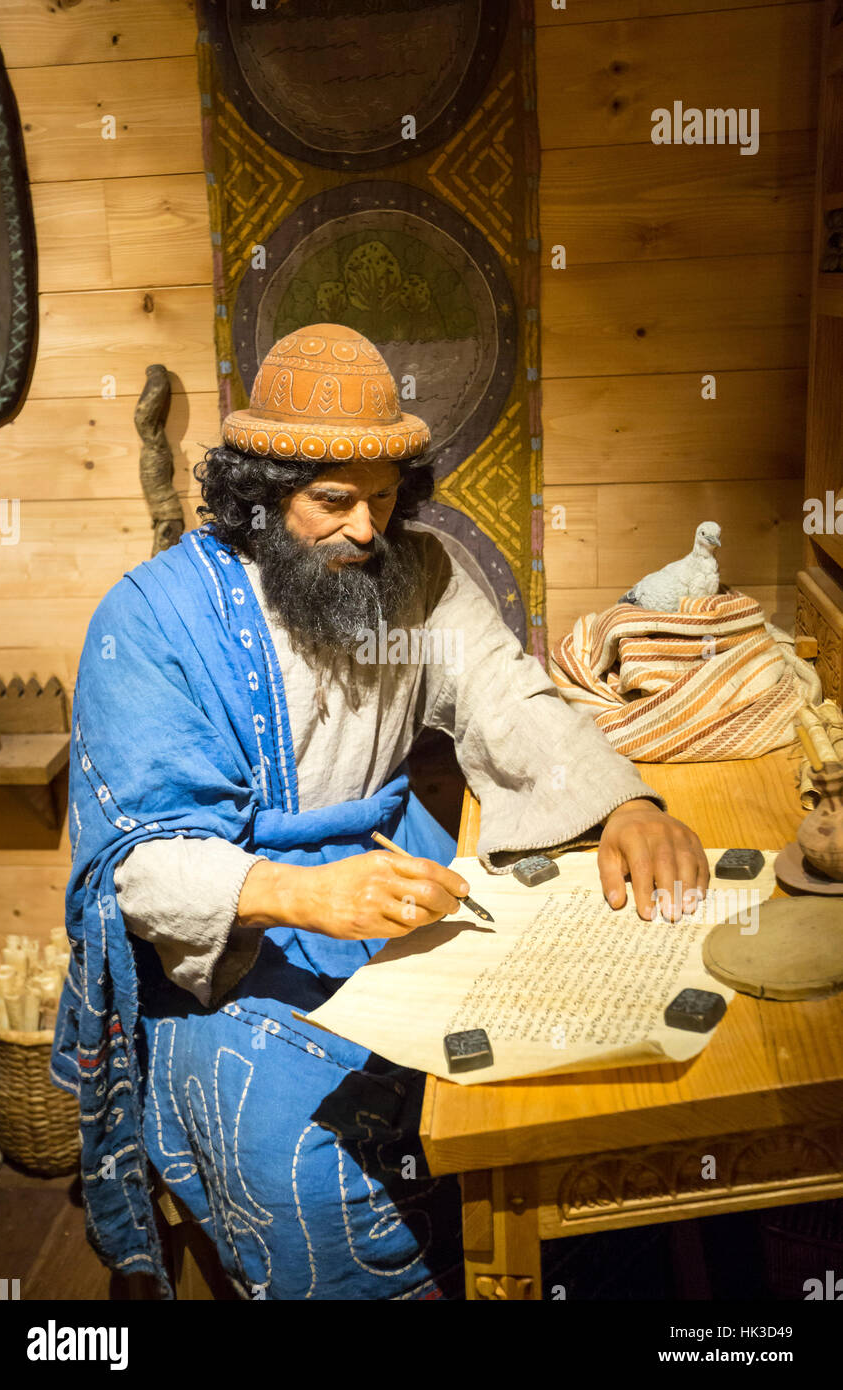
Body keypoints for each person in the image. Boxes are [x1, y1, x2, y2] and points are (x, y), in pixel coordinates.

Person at [51, 323, 708, 1300]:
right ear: (259, 492)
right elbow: (137, 866)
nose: (366, 527)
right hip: (223, 951)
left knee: (555, 1070)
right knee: (310, 1165)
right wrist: (299, 893)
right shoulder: (149, 618)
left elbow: (503, 692)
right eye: (333, 500)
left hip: (392, 880)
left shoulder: (419, 571)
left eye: (386, 495)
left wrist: (621, 803)